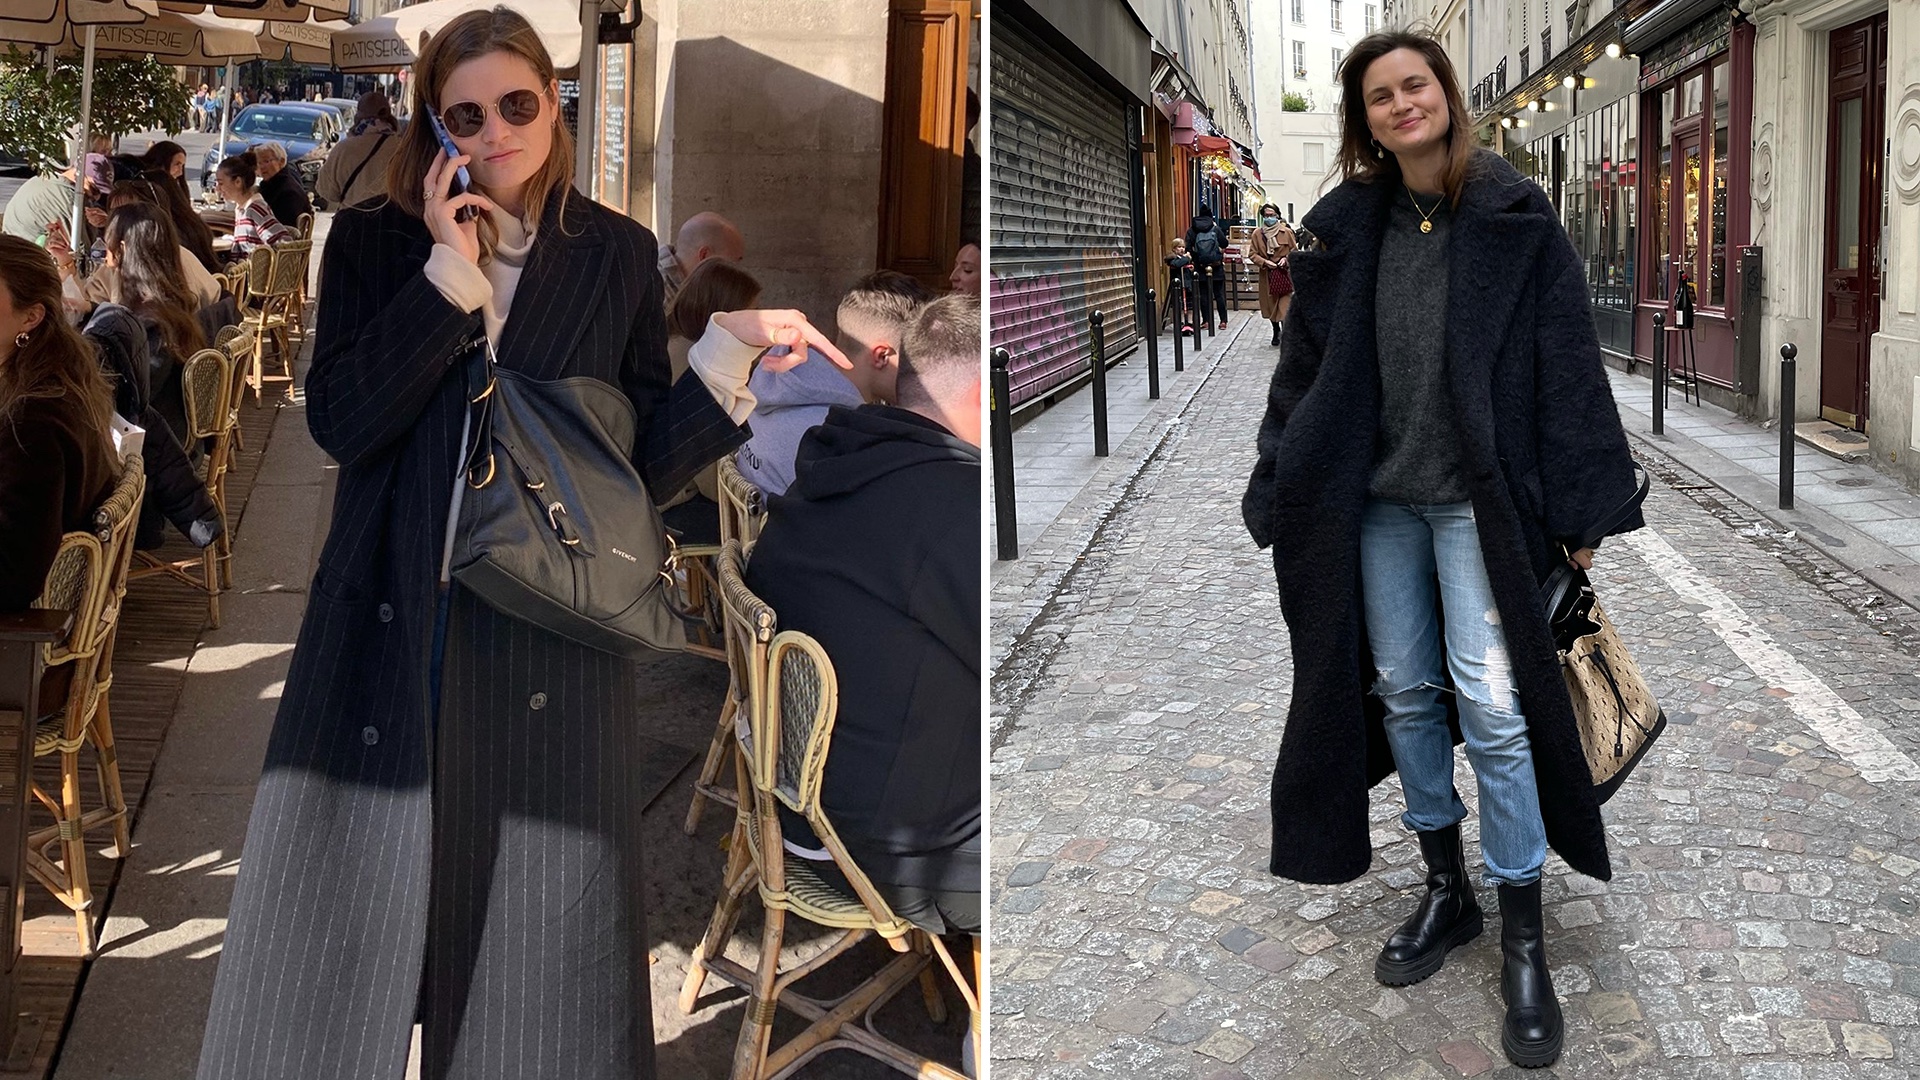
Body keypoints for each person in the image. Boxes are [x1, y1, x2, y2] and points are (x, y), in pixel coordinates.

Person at [194, 10, 847, 1079]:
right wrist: (448, 281)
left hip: (546, 630)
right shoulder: (374, 241)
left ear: (554, 104)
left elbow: (630, 471)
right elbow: (343, 425)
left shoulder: (614, 253)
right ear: (432, 121)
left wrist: (724, 360)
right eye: (465, 114)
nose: (495, 132)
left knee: (533, 972)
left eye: (517, 105)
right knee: (341, 946)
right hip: (395, 608)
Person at [1239, 32, 1646, 1070]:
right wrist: (1277, 474)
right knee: (1407, 694)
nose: (1400, 105)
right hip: (1377, 505)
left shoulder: (1513, 214)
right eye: (1379, 96)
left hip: (1477, 505)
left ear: (1445, 94)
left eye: (1413, 85)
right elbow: (1304, 372)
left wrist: (1584, 511)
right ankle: (1445, 887)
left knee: (1496, 708)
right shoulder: (1344, 227)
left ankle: (1523, 932)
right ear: (1364, 120)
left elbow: (1567, 362)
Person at [746, 293, 981, 937]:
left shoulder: (837, 449)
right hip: (878, 848)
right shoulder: (951, 501)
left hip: (796, 799)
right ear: (983, 391)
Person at [0, 236, 118, 614]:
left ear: (31, 317)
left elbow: (14, 574)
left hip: (29, 624)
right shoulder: (55, 378)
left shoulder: (30, 421)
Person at [737, 269, 933, 496]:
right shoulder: (838, 440)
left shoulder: (779, 384)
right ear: (881, 356)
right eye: (919, 359)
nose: (928, 374)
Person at [658, 256, 763, 543]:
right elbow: (710, 478)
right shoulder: (695, 363)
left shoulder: (673, 344)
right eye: (750, 313)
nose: (754, 323)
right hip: (678, 507)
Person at [53, 182, 222, 309]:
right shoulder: (180, 254)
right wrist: (64, 260)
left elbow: (78, 309)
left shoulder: (124, 269)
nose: (116, 220)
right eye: (113, 213)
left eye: (127, 214)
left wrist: (65, 263)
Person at [318, 91, 404, 210]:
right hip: (393, 218)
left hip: (352, 218)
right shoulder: (403, 148)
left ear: (358, 116)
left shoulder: (343, 149)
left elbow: (327, 192)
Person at [212, 152, 293, 259]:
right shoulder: (242, 209)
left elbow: (284, 243)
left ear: (238, 182)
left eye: (221, 183)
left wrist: (262, 261)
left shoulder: (255, 210)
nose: (217, 189)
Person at [657, 210, 744, 307]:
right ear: (705, 256)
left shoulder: (696, 288)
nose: (736, 273)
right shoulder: (657, 294)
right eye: (731, 263)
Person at [1246, 201, 1296, 345]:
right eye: (1266, 215)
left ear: (1277, 215)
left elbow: (1294, 251)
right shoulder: (1257, 234)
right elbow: (1252, 254)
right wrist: (1265, 262)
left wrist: (1286, 259)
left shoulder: (1286, 232)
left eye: (1272, 215)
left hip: (1284, 274)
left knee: (1284, 306)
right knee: (1270, 305)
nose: (1269, 218)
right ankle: (1275, 330)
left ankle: (1285, 333)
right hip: (1267, 275)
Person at [1184, 203, 1229, 327]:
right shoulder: (1215, 228)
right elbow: (1224, 243)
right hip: (1216, 265)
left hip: (1200, 266)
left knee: (1203, 295)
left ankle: (1206, 321)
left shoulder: (1193, 229)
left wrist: (1196, 257)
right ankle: (1223, 321)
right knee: (1219, 294)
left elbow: (1188, 247)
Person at [250, 141, 313, 232]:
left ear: (281, 161)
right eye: (258, 163)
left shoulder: (288, 192)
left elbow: (282, 228)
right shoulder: (273, 184)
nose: (261, 167)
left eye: (266, 161)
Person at [1164, 238, 1194, 331]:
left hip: (1187, 285)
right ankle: (1181, 322)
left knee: (1190, 306)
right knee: (1179, 305)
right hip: (1178, 286)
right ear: (1174, 249)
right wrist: (1187, 258)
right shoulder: (1172, 258)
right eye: (1179, 247)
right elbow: (1177, 264)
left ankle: (1190, 322)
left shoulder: (1185, 258)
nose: (1182, 249)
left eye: (1183, 247)